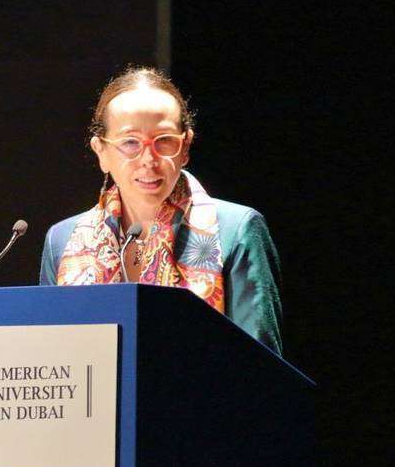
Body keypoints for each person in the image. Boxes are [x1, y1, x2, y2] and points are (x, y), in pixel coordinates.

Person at [39, 67, 282, 353]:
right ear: (100, 151)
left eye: (164, 141)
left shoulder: (236, 229)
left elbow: (260, 367)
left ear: (186, 146)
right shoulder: (62, 241)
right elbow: (53, 363)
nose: (148, 160)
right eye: (130, 143)